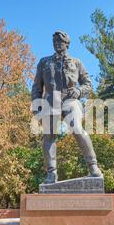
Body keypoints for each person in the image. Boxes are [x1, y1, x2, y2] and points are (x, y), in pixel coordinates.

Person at [31, 31, 103, 184]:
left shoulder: (76, 62)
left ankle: (93, 167)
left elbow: (88, 84)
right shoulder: (44, 62)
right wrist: (36, 105)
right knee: (49, 136)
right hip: (50, 100)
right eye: (55, 41)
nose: (57, 44)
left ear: (67, 44)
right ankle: (52, 173)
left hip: (71, 99)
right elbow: (37, 86)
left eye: (61, 41)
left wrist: (79, 90)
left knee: (77, 128)